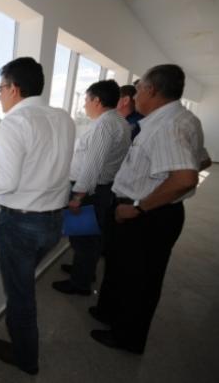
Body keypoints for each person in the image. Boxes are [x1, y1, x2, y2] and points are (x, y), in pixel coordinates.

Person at [0, 57, 75, 375]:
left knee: (21, 295)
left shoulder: (15, 123)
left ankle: (26, 358)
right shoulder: (63, 118)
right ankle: (24, 346)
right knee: (25, 286)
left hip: (21, 224)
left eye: (0, 88)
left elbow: (5, 180)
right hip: (54, 222)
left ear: (14, 88)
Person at [90, 64, 208, 354]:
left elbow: (185, 177)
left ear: (151, 89)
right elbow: (202, 161)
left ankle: (127, 337)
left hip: (148, 215)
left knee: (139, 279)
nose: (133, 94)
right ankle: (110, 315)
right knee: (122, 268)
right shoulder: (185, 119)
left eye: (139, 87)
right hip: (148, 210)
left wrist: (140, 207)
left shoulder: (167, 126)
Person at [52, 80, 131, 295]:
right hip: (102, 189)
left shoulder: (104, 125)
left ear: (97, 100)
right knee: (91, 236)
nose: (84, 104)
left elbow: (92, 164)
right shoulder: (119, 120)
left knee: (84, 238)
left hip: (90, 192)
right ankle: (84, 270)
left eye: (86, 100)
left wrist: (78, 196)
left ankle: (80, 283)